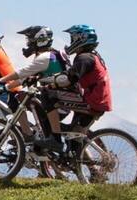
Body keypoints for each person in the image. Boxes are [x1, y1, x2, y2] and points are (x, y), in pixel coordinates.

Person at [0, 26, 72, 152]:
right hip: (63, 100)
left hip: (56, 103)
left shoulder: (44, 58)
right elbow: (26, 78)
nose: (28, 43)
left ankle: (28, 135)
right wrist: (6, 86)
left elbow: (22, 73)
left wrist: (1, 82)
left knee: (18, 97)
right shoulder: (53, 55)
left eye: (29, 40)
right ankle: (37, 137)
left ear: (40, 40)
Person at [42, 25, 110, 153]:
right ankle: (91, 170)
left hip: (93, 101)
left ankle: (55, 139)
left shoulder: (84, 58)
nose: (71, 43)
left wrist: (48, 83)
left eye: (73, 39)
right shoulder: (92, 56)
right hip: (97, 100)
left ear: (81, 39)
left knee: (47, 94)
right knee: (74, 137)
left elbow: (68, 79)